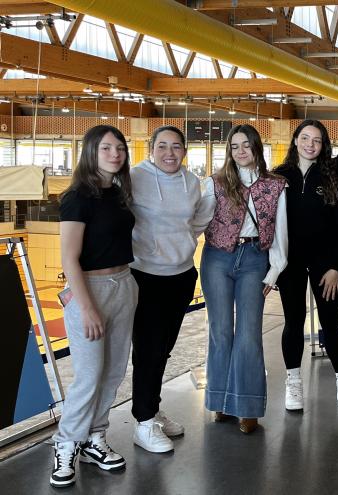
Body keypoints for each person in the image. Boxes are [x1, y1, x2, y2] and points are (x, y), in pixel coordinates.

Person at [51, 125, 137, 487]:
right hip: (91, 288)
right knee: (88, 375)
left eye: (119, 148)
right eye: (106, 148)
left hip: (125, 285)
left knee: (114, 371)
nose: (115, 154)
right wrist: (86, 308)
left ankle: (94, 438)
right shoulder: (77, 197)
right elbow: (70, 259)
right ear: (90, 152)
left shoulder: (118, 193)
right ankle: (66, 443)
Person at [200, 124, 288, 434]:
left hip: (254, 260)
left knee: (249, 333)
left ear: (256, 148)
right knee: (220, 331)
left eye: (246, 145)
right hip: (217, 259)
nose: (240, 151)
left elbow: (280, 230)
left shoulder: (275, 186)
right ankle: (221, 401)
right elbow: (199, 221)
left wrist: (275, 269)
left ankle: (247, 406)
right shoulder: (214, 183)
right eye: (235, 146)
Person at [129, 125, 212, 452]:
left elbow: (195, 221)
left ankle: (151, 406)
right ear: (151, 148)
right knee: (147, 349)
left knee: (163, 348)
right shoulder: (135, 177)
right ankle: (143, 421)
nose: (169, 153)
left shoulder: (191, 182)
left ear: (184, 151)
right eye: (162, 146)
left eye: (176, 147)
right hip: (145, 276)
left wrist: (180, 244)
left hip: (180, 275)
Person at [274, 119, 338, 412]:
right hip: (290, 265)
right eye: (306, 138)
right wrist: (274, 267)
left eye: (317, 140)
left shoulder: (333, 177)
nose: (311, 145)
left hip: (326, 266)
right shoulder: (279, 177)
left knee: (331, 323)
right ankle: (294, 383)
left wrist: (336, 266)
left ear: (324, 146)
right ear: (295, 140)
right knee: (293, 323)